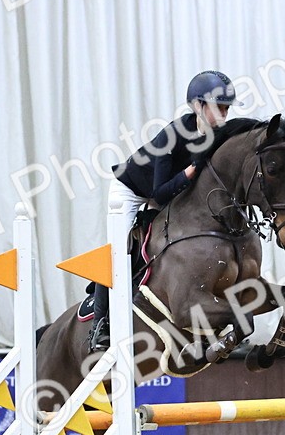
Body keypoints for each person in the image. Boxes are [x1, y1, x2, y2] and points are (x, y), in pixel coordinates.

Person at [88, 70, 237, 352]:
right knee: (117, 250)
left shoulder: (217, 135)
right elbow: (158, 193)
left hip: (171, 191)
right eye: (219, 107)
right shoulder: (173, 135)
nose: (224, 114)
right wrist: (192, 170)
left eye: (226, 108)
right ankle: (100, 325)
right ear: (198, 106)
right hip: (132, 190)